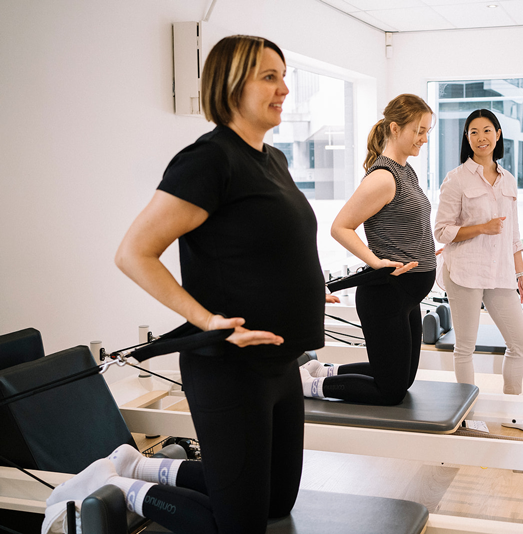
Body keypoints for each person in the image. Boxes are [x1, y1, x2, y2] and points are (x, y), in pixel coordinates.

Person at [45, 36, 334, 534]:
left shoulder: (274, 159)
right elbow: (133, 253)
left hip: (282, 363)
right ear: (230, 86)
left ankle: (140, 465)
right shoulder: (209, 160)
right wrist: (209, 321)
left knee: (277, 504)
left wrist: (303, 287)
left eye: (284, 76)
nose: (284, 88)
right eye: (269, 77)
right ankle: (124, 489)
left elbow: (267, 242)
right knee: (237, 525)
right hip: (230, 367)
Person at [299, 94, 437, 406]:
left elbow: (403, 222)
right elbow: (340, 227)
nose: (424, 139)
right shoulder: (383, 177)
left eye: (427, 131)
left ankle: (324, 370)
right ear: (395, 128)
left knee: (403, 378)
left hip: (407, 294)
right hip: (387, 294)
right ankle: (306, 386)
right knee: (391, 391)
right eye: (419, 130)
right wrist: (376, 261)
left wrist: (426, 249)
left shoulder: (406, 171)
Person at [433, 109, 523, 394]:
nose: (481, 137)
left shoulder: (508, 180)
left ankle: (511, 407)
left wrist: (522, 274)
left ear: (498, 134)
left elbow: (513, 233)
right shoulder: (456, 179)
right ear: (467, 138)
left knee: (519, 342)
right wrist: (481, 228)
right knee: (465, 346)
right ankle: (467, 415)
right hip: (464, 272)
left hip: (500, 273)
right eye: (474, 132)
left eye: (487, 130)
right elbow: (441, 231)